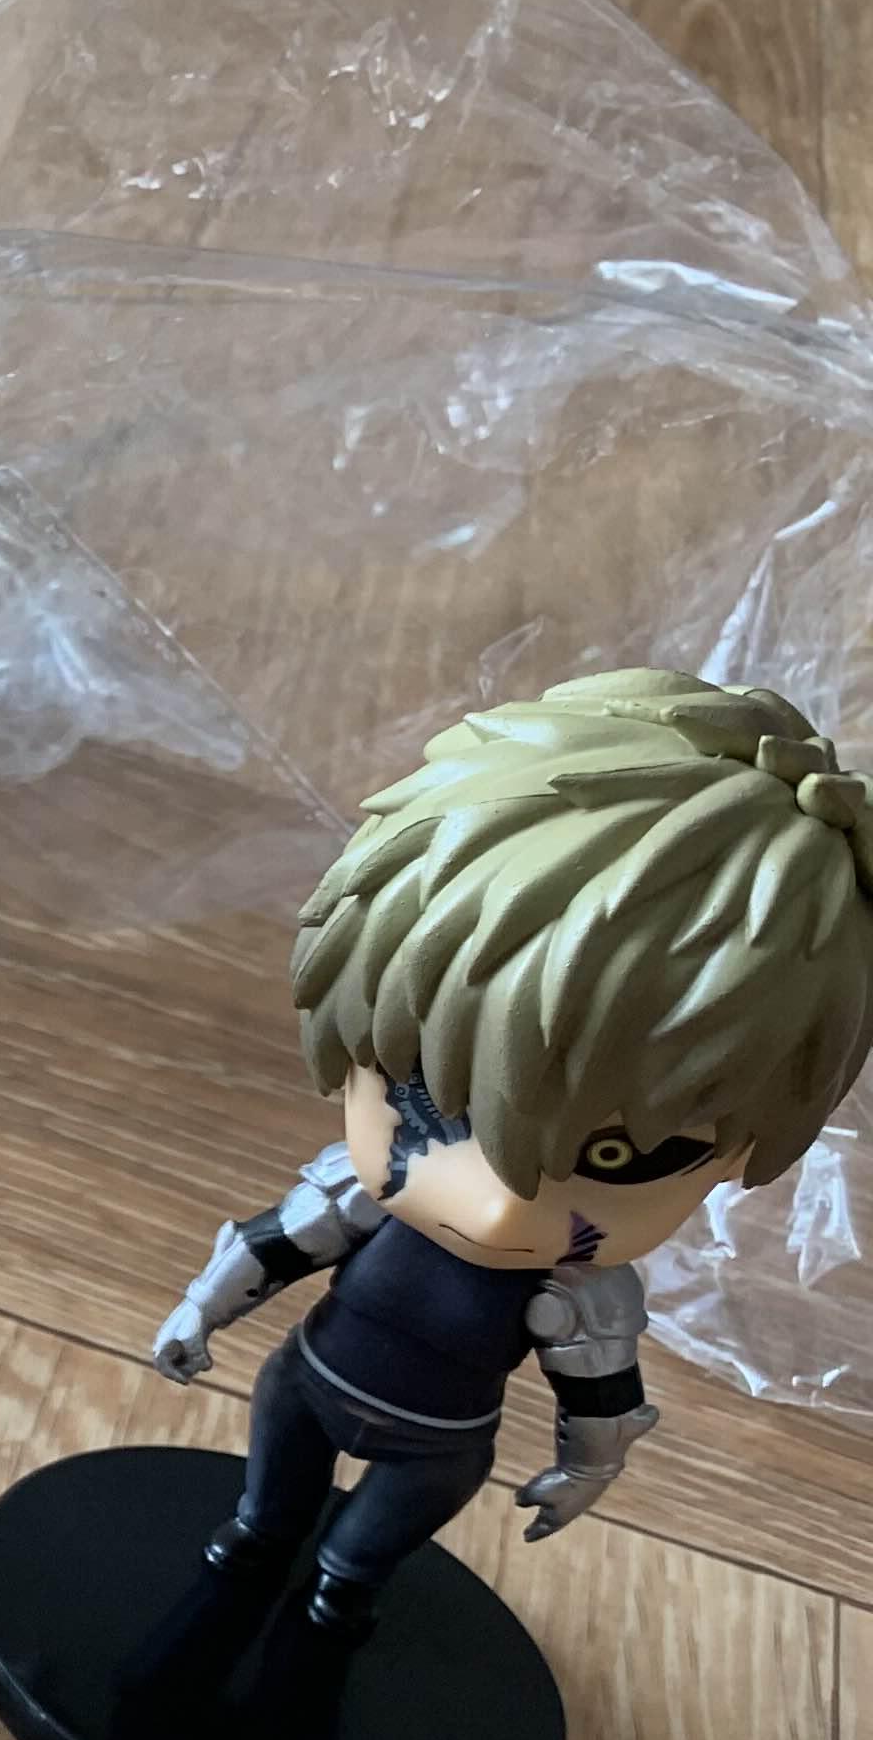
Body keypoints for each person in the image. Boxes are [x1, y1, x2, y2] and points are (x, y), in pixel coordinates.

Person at [156, 668, 873, 1630]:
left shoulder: (583, 1297)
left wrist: (585, 1471)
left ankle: (340, 1590)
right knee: (264, 1514)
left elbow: (600, 1398)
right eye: (428, 1102)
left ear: (741, 1153)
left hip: (438, 1447)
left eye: (617, 1159)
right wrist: (200, 1310)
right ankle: (261, 1540)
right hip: (306, 1385)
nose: (498, 1207)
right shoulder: (356, 1200)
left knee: (352, 1569)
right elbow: (269, 1246)